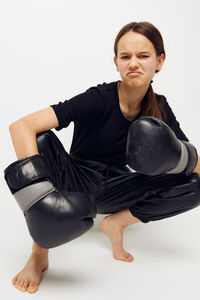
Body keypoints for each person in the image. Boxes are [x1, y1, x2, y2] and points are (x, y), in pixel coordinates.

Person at [6, 21, 200, 294]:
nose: (134, 63)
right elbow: (20, 127)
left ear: (160, 60)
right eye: (126, 56)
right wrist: (40, 199)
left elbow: (195, 163)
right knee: (41, 138)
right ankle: (40, 251)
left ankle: (116, 222)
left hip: (116, 188)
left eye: (143, 56)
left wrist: (178, 157)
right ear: (116, 62)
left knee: (195, 183)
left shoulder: (160, 107)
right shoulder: (98, 98)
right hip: (73, 178)